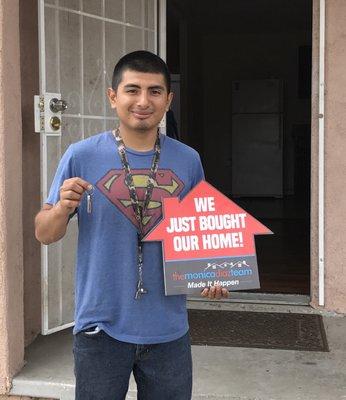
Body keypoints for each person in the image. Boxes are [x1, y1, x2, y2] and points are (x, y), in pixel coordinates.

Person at [35, 50, 229, 400]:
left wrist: (213, 275)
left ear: (168, 100)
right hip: (100, 326)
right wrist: (62, 208)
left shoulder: (188, 160)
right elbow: (44, 233)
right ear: (113, 97)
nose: (143, 101)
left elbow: (205, 237)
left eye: (155, 91)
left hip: (168, 329)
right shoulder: (81, 156)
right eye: (132, 90)